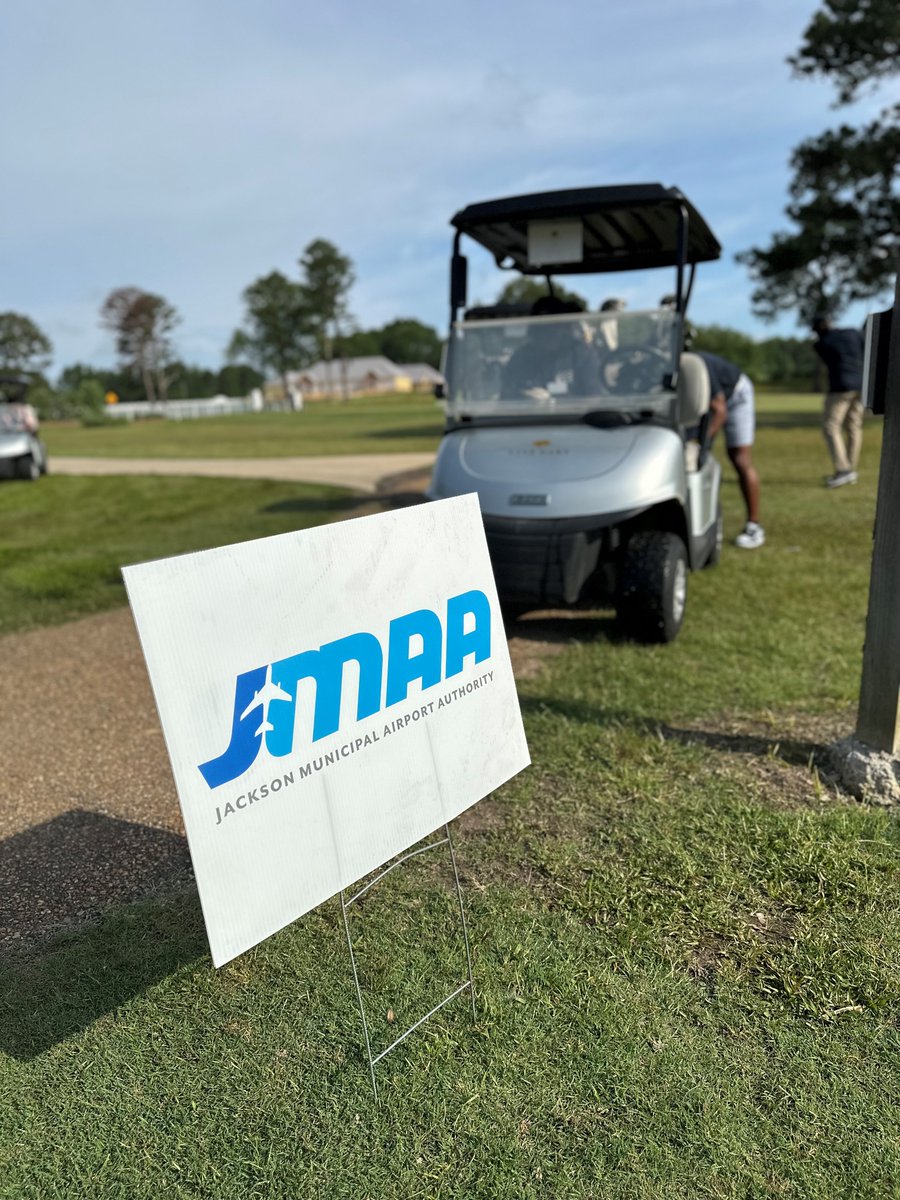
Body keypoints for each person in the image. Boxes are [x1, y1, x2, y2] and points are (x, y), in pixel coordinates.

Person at [696, 350, 764, 550]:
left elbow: (719, 409)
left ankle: (754, 526)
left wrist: (703, 446)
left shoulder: (697, 365)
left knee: (740, 458)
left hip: (735, 395)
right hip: (705, 401)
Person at [501, 296, 599, 399]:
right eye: (541, 328)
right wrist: (525, 397)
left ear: (564, 327)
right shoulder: (520, 358)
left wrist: (553, 402)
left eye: (554, 327)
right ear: (533, 330)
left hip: (573, 415)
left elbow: (594, 398)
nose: (548, 333)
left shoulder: (581, 354)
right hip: (530, 414)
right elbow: (505, 397)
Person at [812, 314, 864, 488]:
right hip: (860, 385)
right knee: (854, 427)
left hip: (840, 388)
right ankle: (849, 469)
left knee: (831, 427)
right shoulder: (852, 332)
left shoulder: (821, 344)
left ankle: (844, 470)